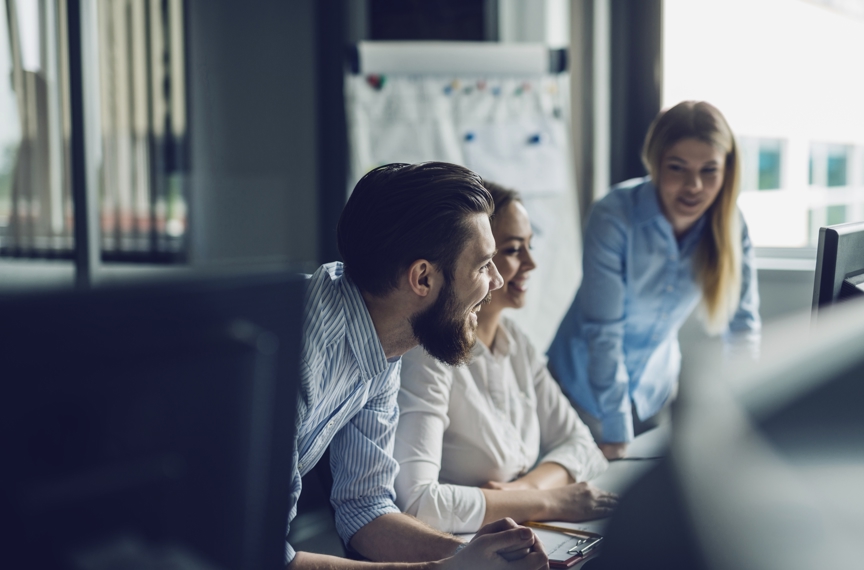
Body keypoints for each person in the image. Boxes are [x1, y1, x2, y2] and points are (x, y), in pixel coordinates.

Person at [288, 162, 549, 570]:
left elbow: (366, 509)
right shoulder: (297, 350)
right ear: (422, 278)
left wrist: (469, 557)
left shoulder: (385, 340)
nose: (496, 281)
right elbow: (259, 556)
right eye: (482, 265)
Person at [393, 181, 615, 535]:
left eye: (530, 246)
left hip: (520, 528)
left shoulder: (516, 343)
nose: (530, 263)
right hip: (460, 546)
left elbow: (582, 445)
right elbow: (419, 506)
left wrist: (521, 491)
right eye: (513, 250)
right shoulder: (428, 354)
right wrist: (550, 500)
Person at [548, 101, 761, 460]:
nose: (694, 186)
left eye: (709, 170)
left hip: (654, 392)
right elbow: (604, 331)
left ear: (727, 171)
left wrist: (750, 414)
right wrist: (616, 431)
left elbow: (743, 327)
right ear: (655, 163)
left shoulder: (730, 225)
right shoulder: (614, 215)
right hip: (580, 393)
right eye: (678, 168)